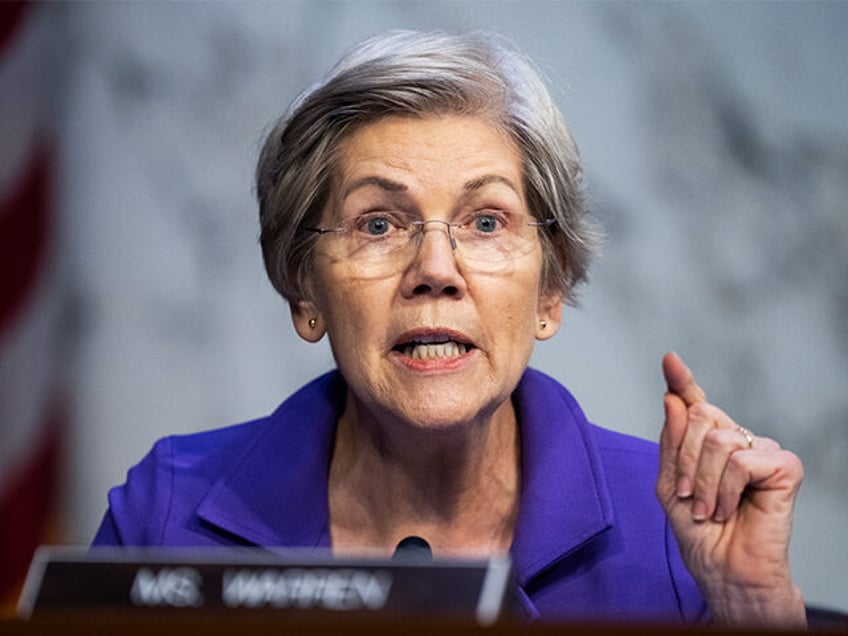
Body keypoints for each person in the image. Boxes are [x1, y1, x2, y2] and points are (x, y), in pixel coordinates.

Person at [93, 30, 806, 627]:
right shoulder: (169, 514)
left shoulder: (674, 530)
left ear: (550, 287)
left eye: (486, 221)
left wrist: (753, 609)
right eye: (378, 223)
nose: (436, 268)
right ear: (304, 286)